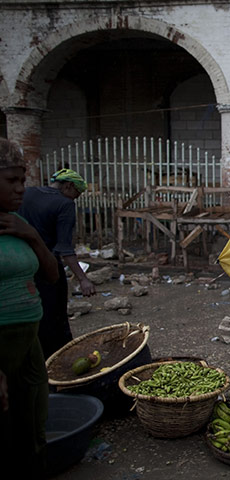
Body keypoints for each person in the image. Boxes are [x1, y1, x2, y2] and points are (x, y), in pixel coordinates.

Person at [0, 138, 60, 478]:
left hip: (28, 345)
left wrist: (33, 236)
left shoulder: (16, 223)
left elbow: (51, 275)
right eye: (12, 181)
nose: (21, 189)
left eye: (23, 180)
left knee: (34, 423)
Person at [18, 167, 95, 358]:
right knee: (55, 317)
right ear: (68, 186)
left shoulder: (28, 193)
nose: (75, 199)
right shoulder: (64, 204)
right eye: (76, 194)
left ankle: (34, 355)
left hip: (22, 265)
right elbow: (64, 248)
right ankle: (57, 361)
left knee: (31, 315)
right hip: (47, 267)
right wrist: (83, 279)